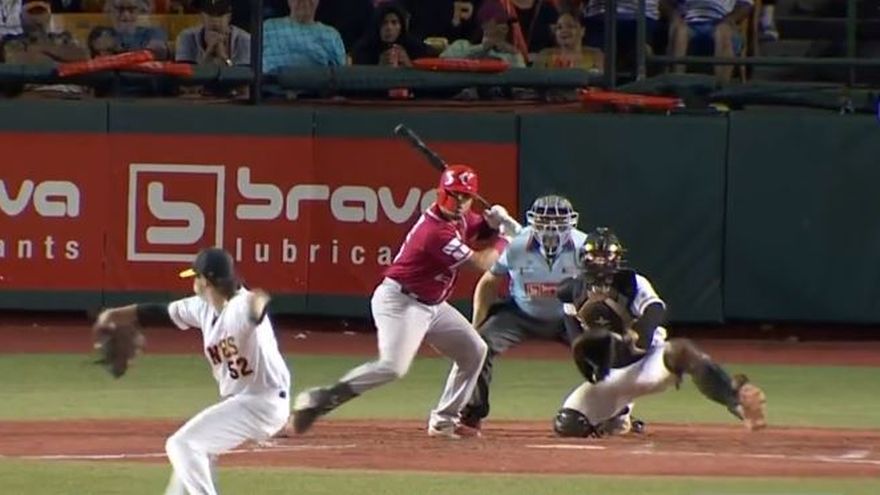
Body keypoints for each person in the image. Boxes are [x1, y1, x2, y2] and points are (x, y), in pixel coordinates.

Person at [292, 164, 522, 439]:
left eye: (466, 197)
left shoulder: (458, 217)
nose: (460, 203)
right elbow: (481, 262)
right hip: (400, 302)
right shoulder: (434, 232)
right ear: (440, 193)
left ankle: (444, 421)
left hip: (432, 304)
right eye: (454, 195)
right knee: (393, 367)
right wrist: (505, 239)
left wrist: (491, 222)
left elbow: (476, 227)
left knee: (474, 350)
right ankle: (322, 398)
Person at [94, 247, 291, 494]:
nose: (193, 281)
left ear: (206, 280)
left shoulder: (240, 306)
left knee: (181, 445)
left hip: (262, 403)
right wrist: (113, 315)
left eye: (195, 276)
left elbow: (255, 308)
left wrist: (258, 305)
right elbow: (160, 312)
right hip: (246, 402)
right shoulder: (204, 307)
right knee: (192, 458)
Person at [552, 227, 767, 437]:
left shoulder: (632, 283)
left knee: (682, 351)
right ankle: (619, 413)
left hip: (647, 363)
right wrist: (592, 357)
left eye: (606, 256)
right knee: (569, 424)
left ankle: (736, 401)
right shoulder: (572, 292)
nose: (600, 262)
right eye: (595, 255)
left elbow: (654, 310)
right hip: (611, 376)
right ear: (584, 257)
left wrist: (634, 336)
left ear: (617, 258)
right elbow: (578, 343)